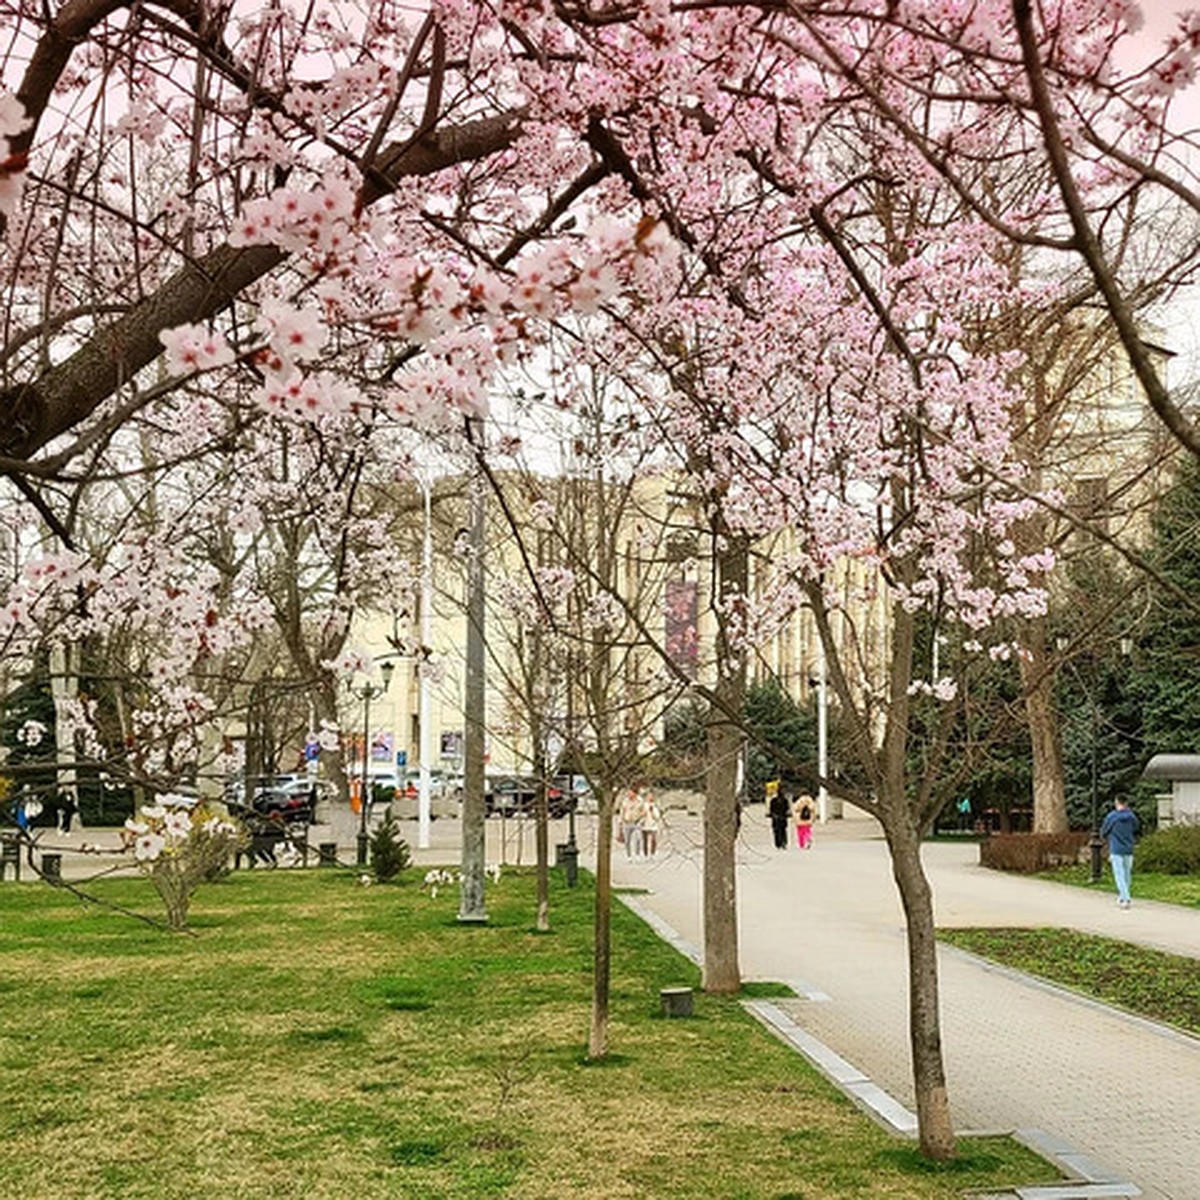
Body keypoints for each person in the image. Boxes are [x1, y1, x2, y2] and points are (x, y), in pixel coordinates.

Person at [1099, 797, 1140, 908]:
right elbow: (1137, 829)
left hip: (1116, 848)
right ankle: (1122, 897)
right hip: (1129, 848)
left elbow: (1104, 831)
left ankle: (1126, 898)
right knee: (1127, 874)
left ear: (1116, 803)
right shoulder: (1132, 817)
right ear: (1126, 803)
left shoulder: (1112, 817)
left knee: (1119, 874)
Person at [617, 784, 645, 858]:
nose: (629, 794)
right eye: (628, 792)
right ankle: (628, 855)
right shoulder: (625, 801)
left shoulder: (640, 801)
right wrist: (620, 822)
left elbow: (644, 811)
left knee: (638, 838)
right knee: (627, 840)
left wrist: (642, 821)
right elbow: (622, 812)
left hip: (637, 822)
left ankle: (637, 854)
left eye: (630, 792)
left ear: (635, 793)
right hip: (627, 822)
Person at [641, 791, 662, 857]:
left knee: (653, 840)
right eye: (648, 796)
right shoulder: (644, 805)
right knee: (645, 840)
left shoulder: (655, 805)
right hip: (645, 824)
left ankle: (652, 853)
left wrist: (652, 811)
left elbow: (657, 816)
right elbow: (640, 814)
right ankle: (645, 854)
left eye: (651, 796)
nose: (650, 797)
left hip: (653, 825)